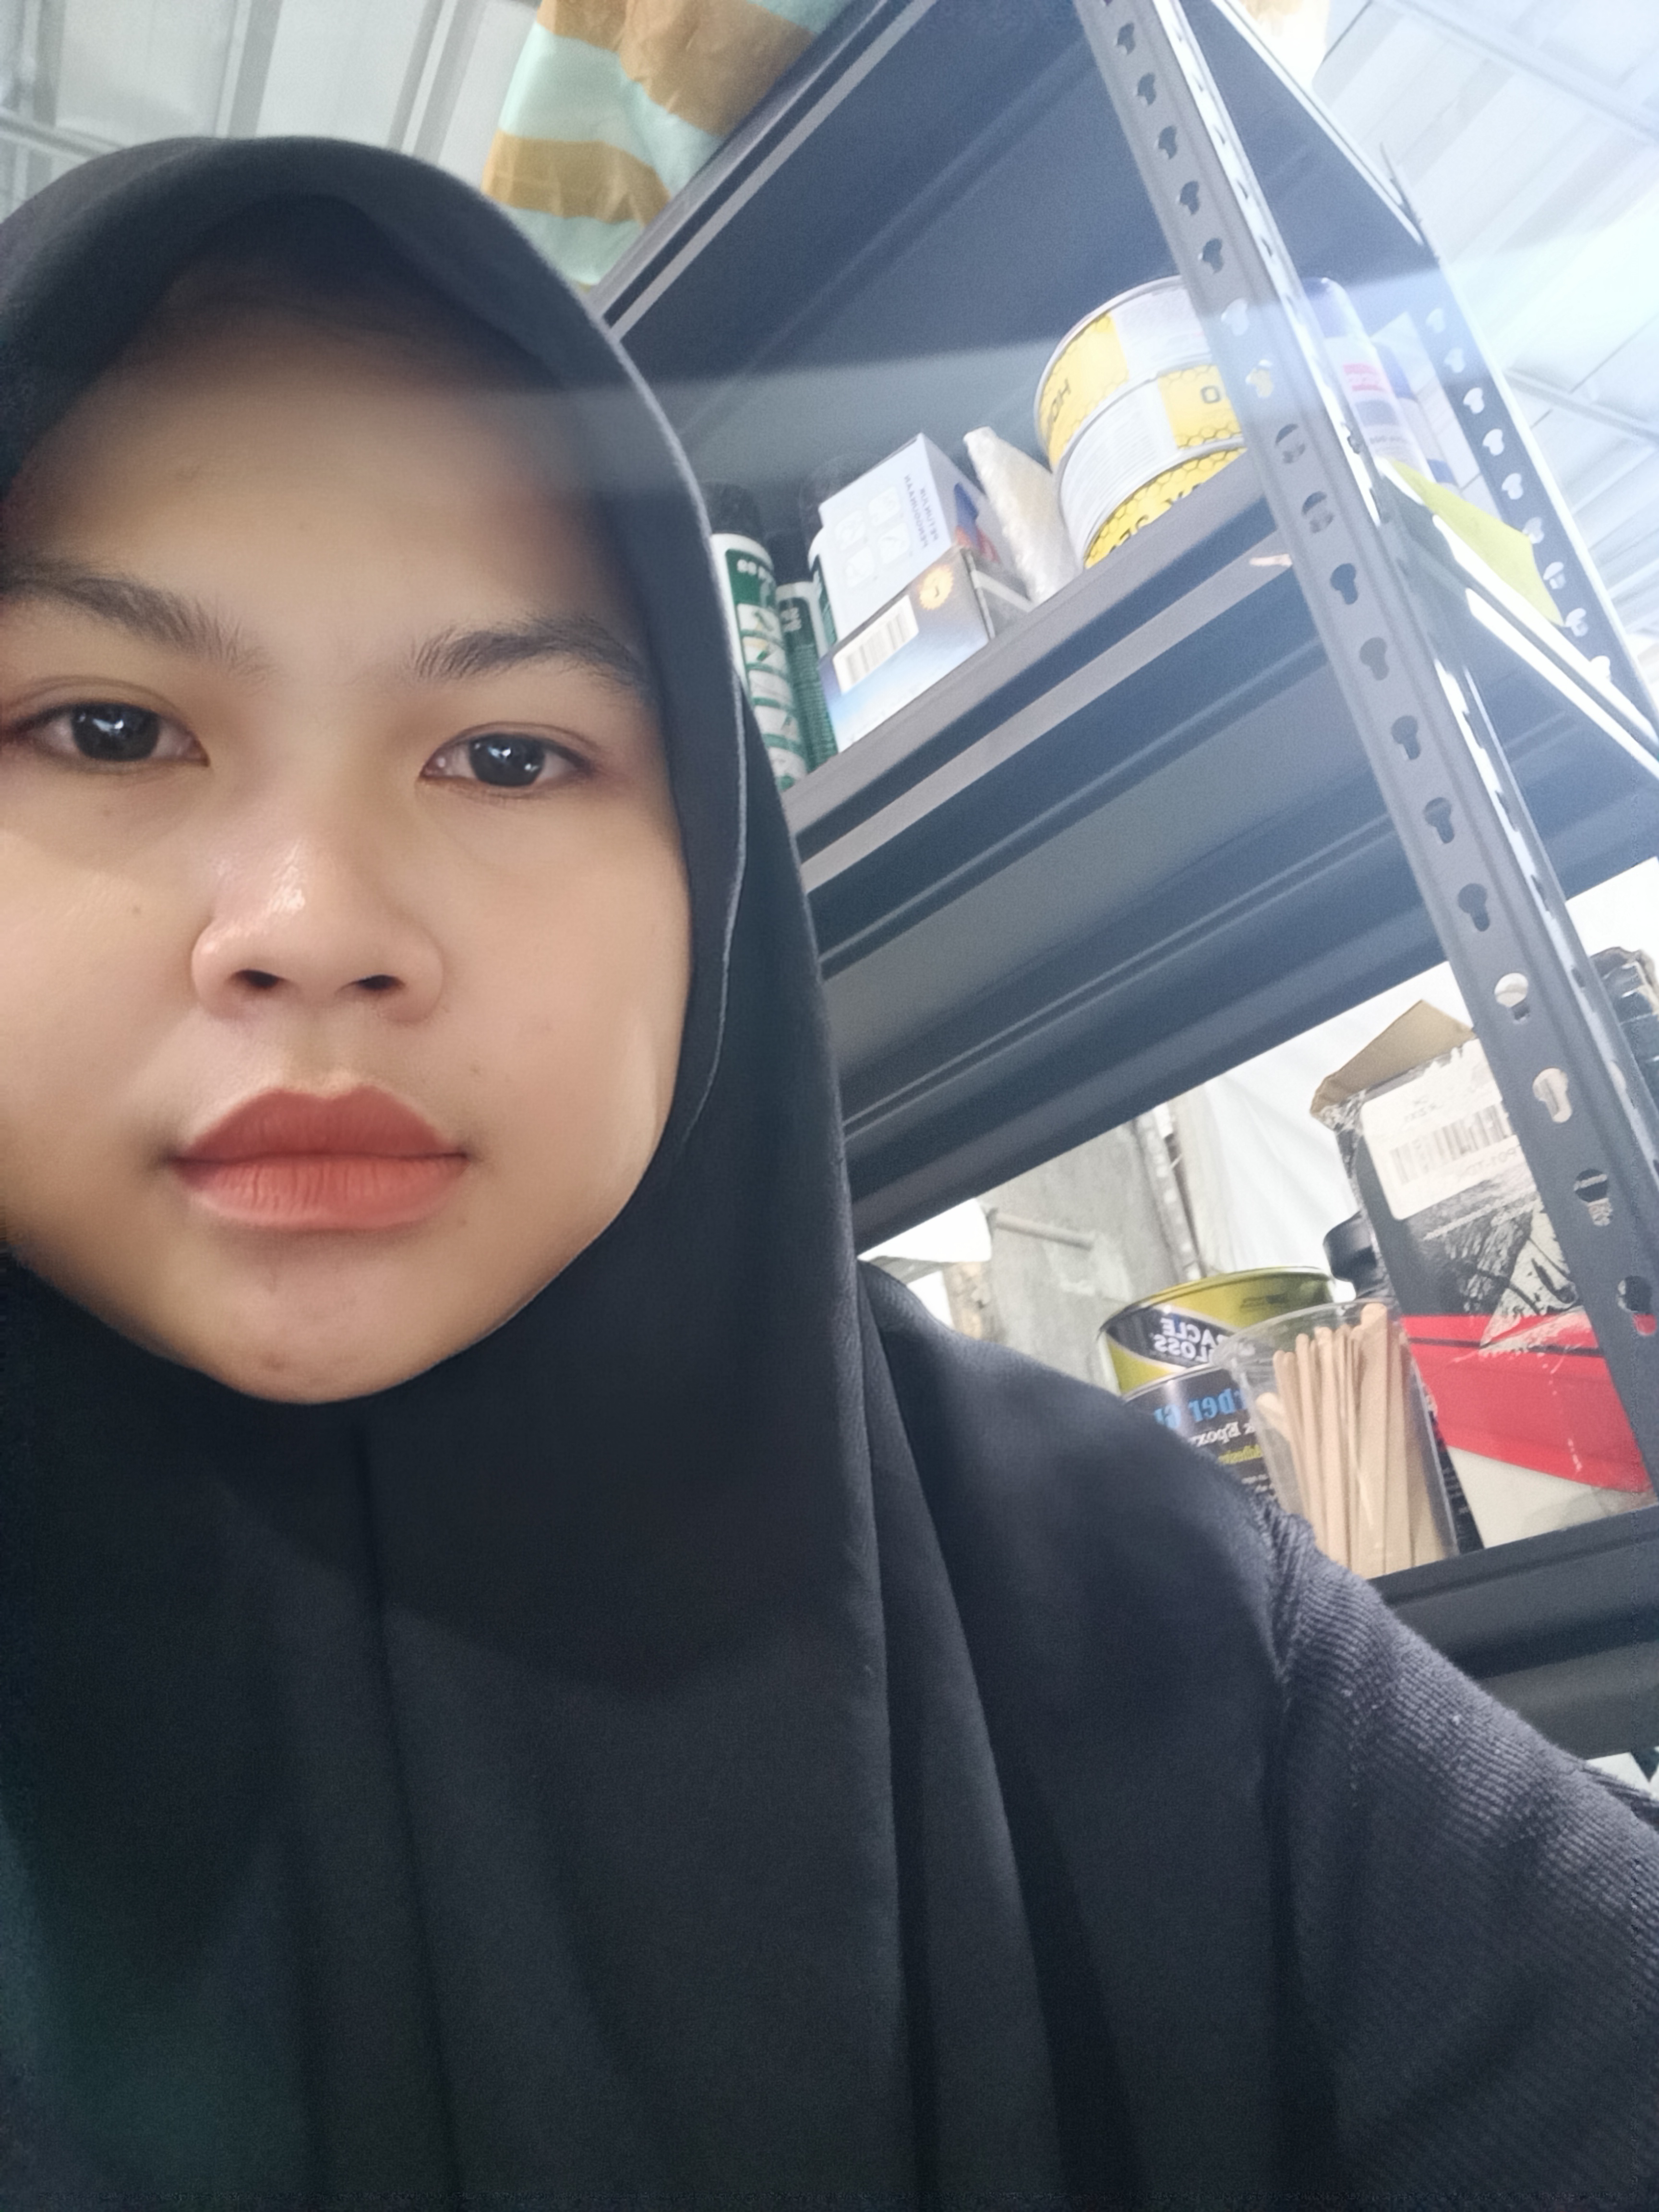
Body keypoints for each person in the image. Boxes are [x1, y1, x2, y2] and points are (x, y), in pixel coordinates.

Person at [0, 138, 1654, 2211]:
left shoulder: (1150, 1614)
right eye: (109, 730)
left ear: (714, 869)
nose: (317, 925)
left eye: (509, 755)